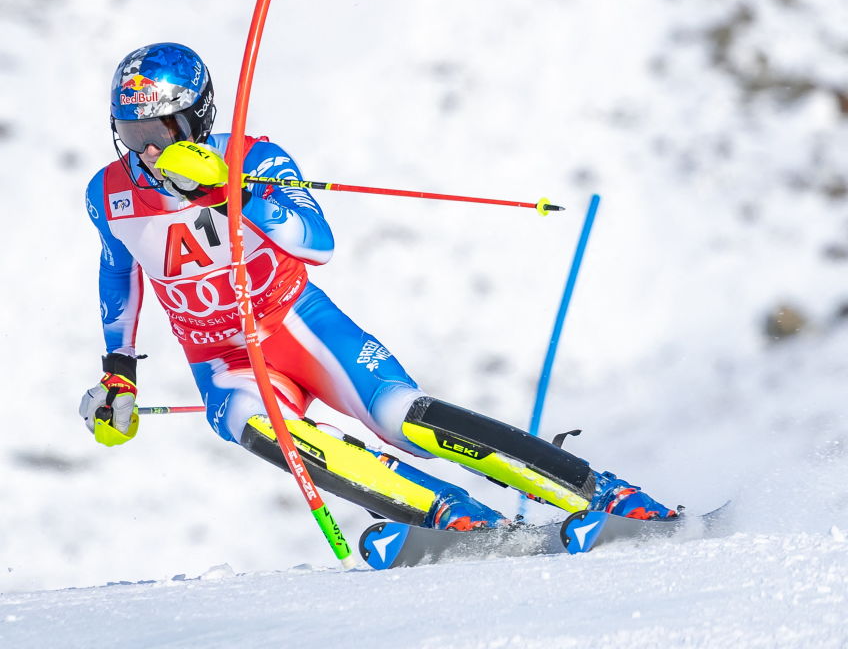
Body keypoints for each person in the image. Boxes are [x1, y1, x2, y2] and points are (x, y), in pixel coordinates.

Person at [80, 42, 676, 531]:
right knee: (257, 427)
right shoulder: (109, 193)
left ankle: (599, 492)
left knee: (400, 417)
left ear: (195, 118)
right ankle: (449, 515)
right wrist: (119, 374)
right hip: (220, 356)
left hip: (297, 323)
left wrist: (234, 190)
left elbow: (316, 241)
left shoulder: (252, 156)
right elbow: (119, 270)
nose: (147, 150)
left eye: (158, 129)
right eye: (130, 134)